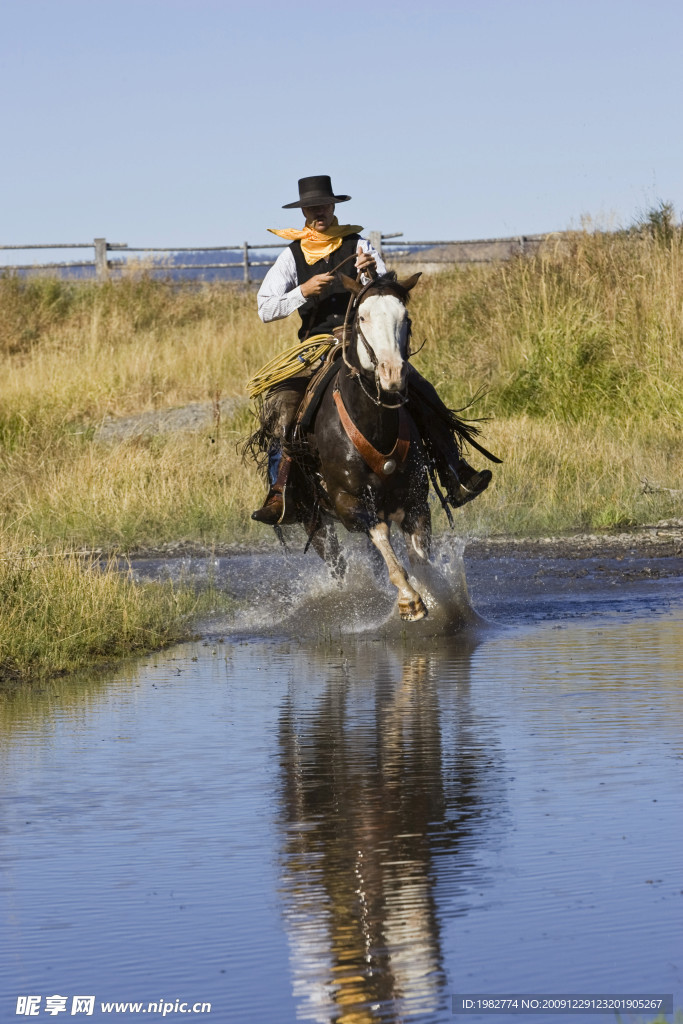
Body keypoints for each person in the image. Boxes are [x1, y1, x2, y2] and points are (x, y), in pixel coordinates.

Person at [251, 174, 493, 525]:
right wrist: (302, 291)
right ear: (303, 211)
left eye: (323, 204)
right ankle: (282, 493)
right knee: (283, 413)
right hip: (317, 346)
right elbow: (264, 308)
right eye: (311, 206)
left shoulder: (360, 244)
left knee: (422, 392)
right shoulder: (291, 256)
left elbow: (388, 292)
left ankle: (454, 471)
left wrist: (369, 277)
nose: (318, 211)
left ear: (333, 206)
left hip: (363, 337)